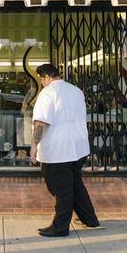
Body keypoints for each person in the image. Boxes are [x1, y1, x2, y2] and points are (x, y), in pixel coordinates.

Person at [30, 63, 99, 237]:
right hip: (78, 148)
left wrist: (34, 145)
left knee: (62, 190)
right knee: (75, 185)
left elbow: (41, 123)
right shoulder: (76, 91)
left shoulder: (48, 93)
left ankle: (60, 227)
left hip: (57, 151)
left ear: (46, 77)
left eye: (41, 79)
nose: (42, 83)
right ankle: (89, 219)